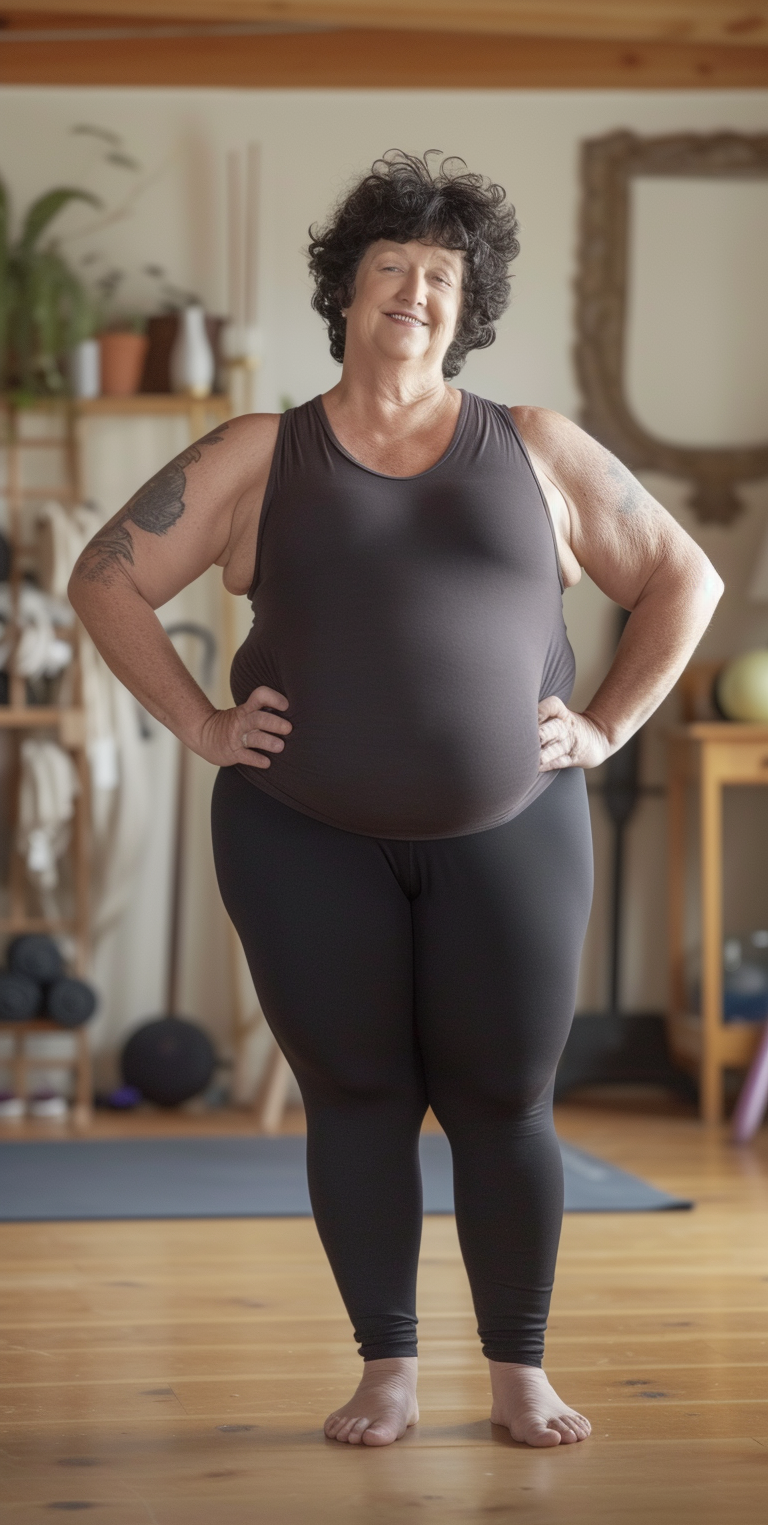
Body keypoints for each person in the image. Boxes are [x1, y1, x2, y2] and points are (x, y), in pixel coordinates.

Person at [69, 150, 723, 1450]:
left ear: (466, 308)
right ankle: (387, 1368)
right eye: (390, 268)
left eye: (441, 275)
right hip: (301, 835)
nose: (415, 292)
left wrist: (605, 724)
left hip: (514, 833)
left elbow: (683, 580)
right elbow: (104, 578)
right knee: (357, 1096)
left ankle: (521, 1370)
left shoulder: (537, 445)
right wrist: (200, 721)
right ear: (347, 293)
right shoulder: (262, 451)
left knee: (504, 1101)